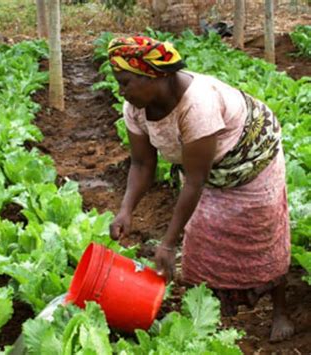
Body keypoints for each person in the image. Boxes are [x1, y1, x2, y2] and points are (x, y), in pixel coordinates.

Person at [107, 36, 294, 342]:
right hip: (203, 167)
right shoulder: (135, 108)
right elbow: (141, 164)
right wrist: (126, 210)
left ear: (154, 74)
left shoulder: (197, 103)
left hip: (252, 159)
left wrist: (167, 243)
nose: (121, 91)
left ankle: (280, 310)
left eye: (126, 82)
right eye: (118, 83)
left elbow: (195, 181)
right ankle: (211, 309)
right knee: (202, 238)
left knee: (262, 234)